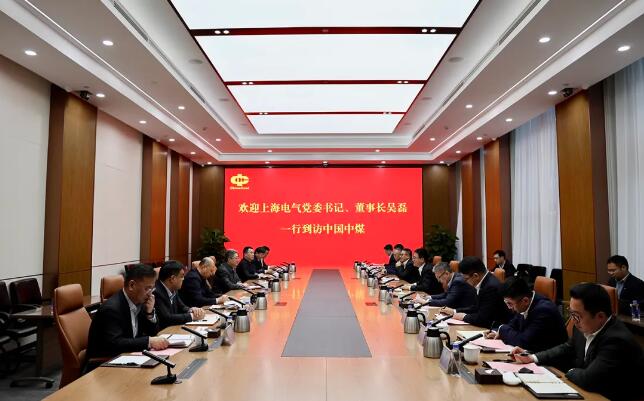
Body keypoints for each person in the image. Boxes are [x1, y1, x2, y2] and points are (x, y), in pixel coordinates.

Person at [511, 283, 644, 401]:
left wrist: (570, 371)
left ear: (600, 316)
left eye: (577, 315)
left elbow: (588, 379)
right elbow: (567, 348)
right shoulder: (583, 326)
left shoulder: (616, 341)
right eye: (571, 313)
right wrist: (532, 357)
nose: (573, 320)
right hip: (588, 392)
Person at [87, 264, 169, 359]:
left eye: (152, 288)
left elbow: (153, 333)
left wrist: (149, 313)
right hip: (104, 362)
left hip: (129, 356)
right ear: (131, 285)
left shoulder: (140, 302)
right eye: (147, 288)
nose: (150, 293)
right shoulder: (111, 309)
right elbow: (115, 343)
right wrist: (149, 341)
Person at [486, 277, 567, 352]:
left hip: (550, 360)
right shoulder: (525, 302)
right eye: (506, 303)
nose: (509, 308)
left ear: (525, 301)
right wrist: (497, 332)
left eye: (510, 304)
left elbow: (524, 342)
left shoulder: (544, 310)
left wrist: (502, 329)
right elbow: (513, 324)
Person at [441, 256, 511, 328]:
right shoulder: (484, 281)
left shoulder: (490, 287)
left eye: (466, 279)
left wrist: (463, 317)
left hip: (495, 327)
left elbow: (482, 319)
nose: (465, 282)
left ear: (475, 276)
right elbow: (476, 307)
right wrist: (455, 311)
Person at [155, 260, 207, 330]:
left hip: (173, 329)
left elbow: (182, 307)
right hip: (162, 333)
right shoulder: (157, 293)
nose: (183, 279)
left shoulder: (173, 289)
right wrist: (192, 316)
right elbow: (167, 318)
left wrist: (192, 310)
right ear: (172, 279)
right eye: (182, 276)